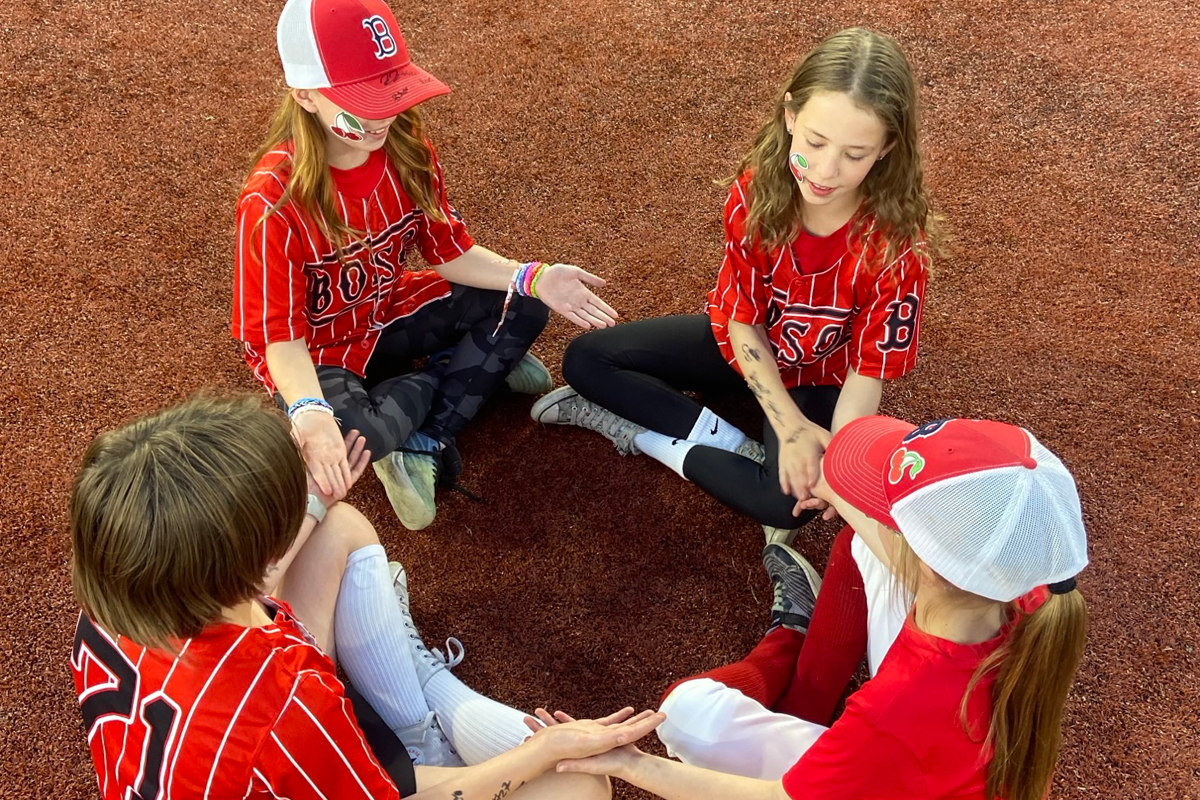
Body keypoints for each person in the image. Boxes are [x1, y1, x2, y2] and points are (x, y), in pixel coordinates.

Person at [68, 394, 664, 799]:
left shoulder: (118, 584)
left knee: (338, 528)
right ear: (247, 565)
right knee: (579, 786)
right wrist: (542, 752)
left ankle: (419, 714)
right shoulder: (286, 706)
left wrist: (314, 506)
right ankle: (426, 717)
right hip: (284, 747)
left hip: (232, 735)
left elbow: (247, 595)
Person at [539, 415, 1089, 800]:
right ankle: (806, 689)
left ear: (929, 559)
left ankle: (790, 635)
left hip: (883, 762)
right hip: (931, 760)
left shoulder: (896, 712)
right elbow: (902, 546)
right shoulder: (1025, 580)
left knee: (685, 713)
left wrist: (628, 763)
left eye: (889, 510)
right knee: (854, 542)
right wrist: (839, 488)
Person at [532, 28, 940, 544]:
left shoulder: (898, 247)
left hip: (818, 377)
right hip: (743, 347)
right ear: (791, 116)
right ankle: (723, 443)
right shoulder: (758, 187)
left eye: (855, 154)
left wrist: (835, 459)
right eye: (814, 141)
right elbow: (742, 322)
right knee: (585, 360)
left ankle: (646, 432)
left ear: (887, 148)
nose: (826, 170)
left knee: (788, 504)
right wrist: (789, 431)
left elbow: (867, 371)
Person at [233, 0, 618, 530]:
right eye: (362, 99)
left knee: (524, 305)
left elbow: (451, 254)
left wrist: (534, 276)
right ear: (303, 95)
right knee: (347, 444)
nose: (384, 115)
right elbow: (280, 339)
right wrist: (307, 412)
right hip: (315, 350)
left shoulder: (407, 148)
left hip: (382, 310)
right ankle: (469, 375)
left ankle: (426, 435)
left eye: (393, 92)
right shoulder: (271, 202)